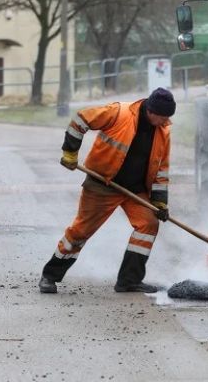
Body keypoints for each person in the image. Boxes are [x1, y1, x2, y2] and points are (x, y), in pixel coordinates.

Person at [38, 88, 176, 294]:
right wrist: (70, 151)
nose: (166, 122)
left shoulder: (163, 131)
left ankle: (128, 281)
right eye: (163, 117)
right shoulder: (119, 113)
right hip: (102, 184)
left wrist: (159, 202)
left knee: (148, 224)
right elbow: (81, 119)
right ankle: (50, 276)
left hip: (134, 190)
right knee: (80, 232)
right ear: (151, 111)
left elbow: (161, 169)